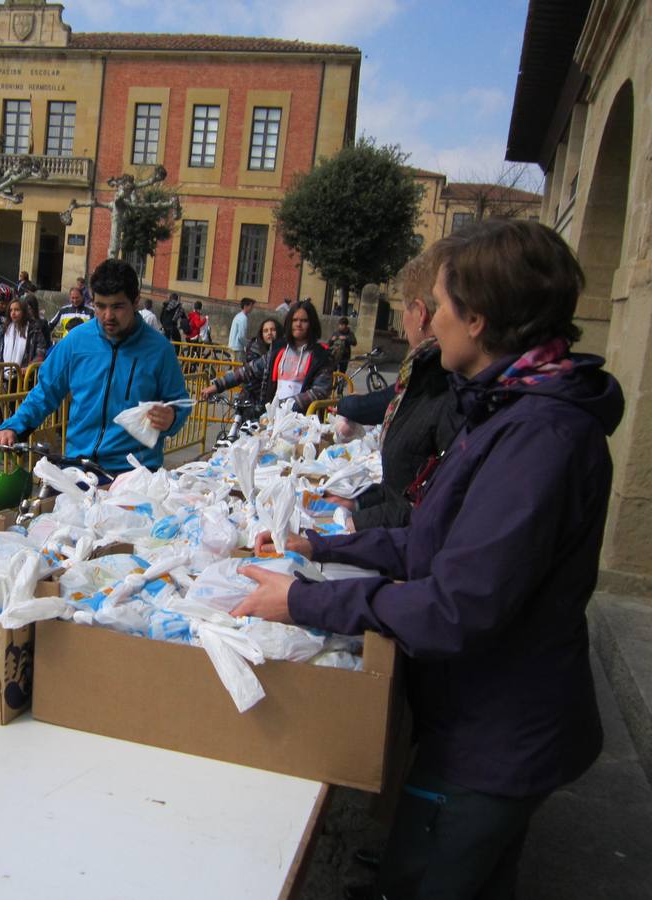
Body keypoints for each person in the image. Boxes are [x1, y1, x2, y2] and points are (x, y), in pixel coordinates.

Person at [237, 219, 623, 900]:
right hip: (474, 717)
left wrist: (301, 601)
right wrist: (315, 546)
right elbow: (428, 537)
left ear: (477, 319)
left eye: (440, 305)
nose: (429, 320)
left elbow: (456, 604)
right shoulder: (506, 410)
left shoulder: (541, 437)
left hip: (498, 734)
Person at [0, 259, 190, 475]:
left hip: (135, 473)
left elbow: (179, 402)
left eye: (117, 306)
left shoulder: (160, 350)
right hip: (78, 467)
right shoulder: (76, 342)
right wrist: (13, 426)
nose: (108, 316)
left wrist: (171, 416)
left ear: (135, 302)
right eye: (100, 306)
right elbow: (45, 392)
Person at [336, 251, 462, 531]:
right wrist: (357, 506)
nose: (437, 324)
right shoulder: (426, 376)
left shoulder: (452, 393)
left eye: (442, 307)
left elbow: (427, 512)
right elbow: (403, 489)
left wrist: (352, 526)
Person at [202, 301, 332, 413]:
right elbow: (248, 371)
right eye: (295, 320)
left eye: (304, 321)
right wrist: (216, 386)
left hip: (303, 423)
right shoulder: (279, 350)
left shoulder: (320, 355)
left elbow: (319, 391)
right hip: (273, 419)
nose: (298, 324)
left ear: (312, 324)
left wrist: (286, 405)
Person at [0, 295, 48, 381]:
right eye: (11, 310)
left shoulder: (34, 329)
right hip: (5, 376)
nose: (13, 313)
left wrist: (29, 366)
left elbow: (41, 351)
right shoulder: (6, 328)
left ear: (24, 311)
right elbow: (0, 352)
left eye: (17, 310)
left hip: (25, 377)